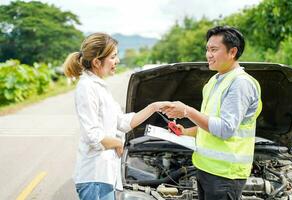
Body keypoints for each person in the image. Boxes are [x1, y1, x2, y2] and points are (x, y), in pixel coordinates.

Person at [63, 33, 169, 200]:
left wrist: (153, 107)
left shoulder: (99, 86)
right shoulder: (87, 87)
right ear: (97, 62)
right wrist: (118, 143)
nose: (117, 61)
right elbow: (92, 135)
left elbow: (122, 123)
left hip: (104, 176)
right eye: (113, 57)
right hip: (94, 177)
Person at [162, 26, 262, 200]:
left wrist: (186, 111)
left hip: (226, 175)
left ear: (232, 52)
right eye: (207, 49)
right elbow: (209, 124)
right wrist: (185, 132)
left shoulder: (240, 84)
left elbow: (225, 129)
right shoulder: (213, 82)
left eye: (214, 50)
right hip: (206, 169)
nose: (208, 55)